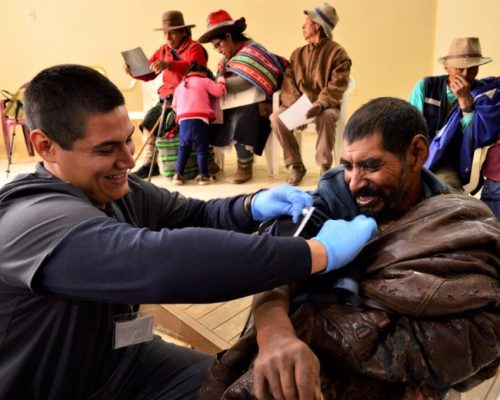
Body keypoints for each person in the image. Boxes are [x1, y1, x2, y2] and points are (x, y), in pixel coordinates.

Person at [0, 64, 380, 400]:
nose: (129, 160)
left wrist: (251, 205)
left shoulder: (114, 189)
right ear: (45, 146)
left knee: (241, 389)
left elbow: (192, 214)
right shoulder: (31, 221)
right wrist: (315, 254)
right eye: (106, 149)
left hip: (124, 359)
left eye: (129, 139)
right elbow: (160, 262)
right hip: (56, 388)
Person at [197, 97, 500, 400]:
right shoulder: (333, 196)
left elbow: (481, 322)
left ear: (417, 153)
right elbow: (275, 274)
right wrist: (276, 337)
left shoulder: (454, 219)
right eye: (348, 166)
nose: (355, 182)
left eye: (371, 165)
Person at [409, 37, 500, 217]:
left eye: (472, 68)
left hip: (451, 164)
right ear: (447, 68)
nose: (466, 74)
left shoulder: (483, 94)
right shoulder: (427, 87)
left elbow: (480, 137)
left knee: (444, 197)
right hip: (419, 158)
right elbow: (409, 126)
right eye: (460, 69)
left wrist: (466, 105)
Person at [198, 10, 289, 184]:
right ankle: (209, 161)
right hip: (230, 103)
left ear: (228, 36)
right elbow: (222, 80)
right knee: (208, 114)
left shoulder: (253, 51)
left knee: (243, 115)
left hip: (259, 104)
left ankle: (245, 164)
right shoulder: (225, 62)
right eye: (215, 47)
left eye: (219, 45)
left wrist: (217, 86)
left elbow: (249, 81)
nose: (218, 50)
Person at [269, 3, 352, 186]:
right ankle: (296, 165)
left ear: (318, 25)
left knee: (327, 117)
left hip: (325, 105)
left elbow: (337, 85)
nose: (303, 26)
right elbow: (289, 81)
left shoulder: (338, 54)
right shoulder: (297, 54)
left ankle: (324, 168)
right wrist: (296, 107)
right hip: (299, 103)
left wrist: (320, 104)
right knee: (276, 118)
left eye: (307, 21)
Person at [124, 10, 208, 178]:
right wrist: (133, 71)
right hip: (167, 99)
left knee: (167, 121)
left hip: (189, 100)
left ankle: (187, 165)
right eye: (165, 33)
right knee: (148, 121)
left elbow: (196, 67)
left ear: (183, 31)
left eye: (173, 33)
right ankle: (149, 163)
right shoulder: (163, 50)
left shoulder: (195, 48)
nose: (168, 37)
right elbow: (149, 73)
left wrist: (169, 65)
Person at [172, 62, 226, 185]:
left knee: (183, 148)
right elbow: (219, 91)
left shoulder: (180, 86)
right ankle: (203, 175)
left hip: (183, 120)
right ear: (204, 72)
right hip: (199, 120)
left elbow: (174, 106)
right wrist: (221, 79)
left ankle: (178, 175)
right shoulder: (204, 80)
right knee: (202, 148)